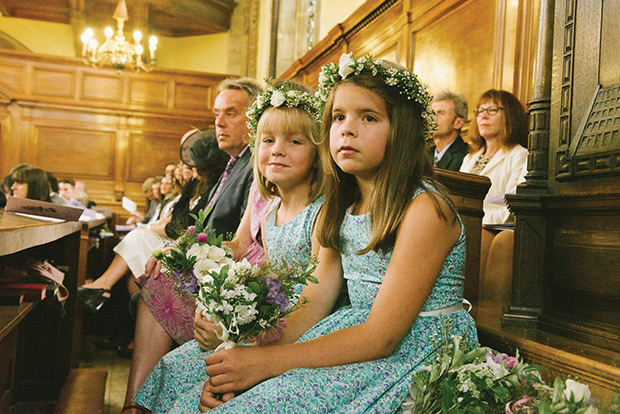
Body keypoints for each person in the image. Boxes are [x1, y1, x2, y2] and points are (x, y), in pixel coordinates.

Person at [191, 53, 478, 413]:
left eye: (369, 117)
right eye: (338, 117)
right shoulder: (342, 207)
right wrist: (246, 353)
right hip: (355, 334)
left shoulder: (425, 210)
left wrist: (264, 364)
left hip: (415, 352)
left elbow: (382, 337)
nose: (347, 129)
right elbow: (313, 307)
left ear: (402, 130)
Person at [132, 80, 326, 413]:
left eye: (294, 141)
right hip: (261, 314)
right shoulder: (271, 207)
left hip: (290, 325)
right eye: (268, 141)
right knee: (174, 367)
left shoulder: (323, 212)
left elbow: (309, 299)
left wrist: (234, 332)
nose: (277, 150)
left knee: (204, 384)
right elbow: (244, 252)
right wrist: (213, 303)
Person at [120, 78, 264, 414]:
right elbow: (196, 224)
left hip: (229, 276)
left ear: (254, 118)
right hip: (209, 267)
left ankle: (135, 406)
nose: (219, 122)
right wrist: (178, 250)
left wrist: (182, 252)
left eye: (231, 113)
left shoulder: (255, 165)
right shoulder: (231, 166)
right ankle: (137, 404)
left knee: (156, 280)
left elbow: (242, 242)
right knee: (155, 270)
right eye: (216, 114)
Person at [77, 131, 229, 314]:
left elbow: (181, 226)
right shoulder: (194, 184)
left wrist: (150, 227)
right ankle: (106, 290)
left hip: (185, 245)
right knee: (134, 252)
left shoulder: (212, 186)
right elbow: (177, 216)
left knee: (136, 240)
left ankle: (104, 286)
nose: (188, 167)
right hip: (177, 240)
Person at [458, 89, 528, 302]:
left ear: (510, 116)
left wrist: (484, 219)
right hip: (464, 220)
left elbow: (515, 199)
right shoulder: (470, 157)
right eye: (480, 111)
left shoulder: (518, 154)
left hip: (495, 223)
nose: (483, 116)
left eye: (492, 110)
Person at [428, 90, 469, 171]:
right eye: (432, 113)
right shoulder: (423, 154)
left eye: (441, 113)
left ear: (458, 123)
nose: (432, 118)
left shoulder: (466, 155)